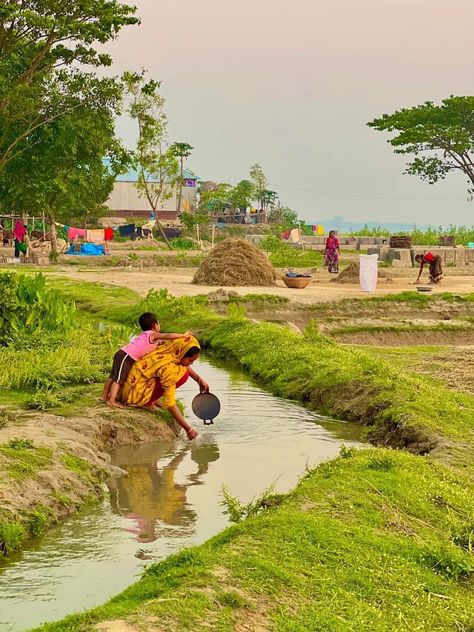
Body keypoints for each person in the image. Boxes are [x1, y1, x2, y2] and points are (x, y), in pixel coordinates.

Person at [122, 335, 209, 441]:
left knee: (183, 371)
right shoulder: (169, 370)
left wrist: (199, 379)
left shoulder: (168, 350)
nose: (192, 363)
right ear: (182, 353)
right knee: (182, 375)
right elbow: (170, 403)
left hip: (130, 386)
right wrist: (189, 430)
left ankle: (152, 399)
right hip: (134, 395)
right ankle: (147, 402)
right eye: (191, 360)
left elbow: (183, 363)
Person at [101, 312, 191, 408]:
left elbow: (162, 342)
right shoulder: (152, 334)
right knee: (118, 380)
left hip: (123, 354)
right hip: (126, 357)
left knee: (113, 376)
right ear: (155, 325)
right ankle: (111, 400)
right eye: (159, 323)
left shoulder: (146, 335)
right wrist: (183, 336)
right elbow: (167, 336)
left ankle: (104, 396)